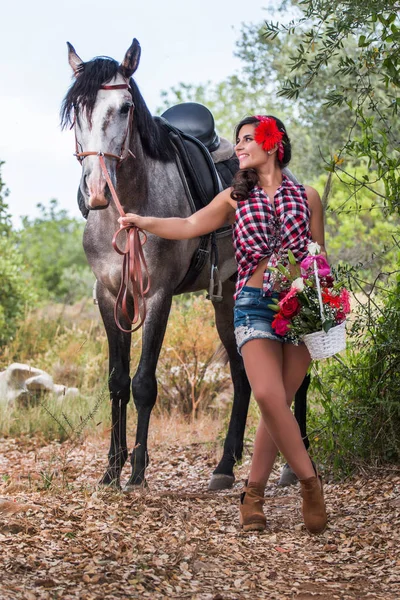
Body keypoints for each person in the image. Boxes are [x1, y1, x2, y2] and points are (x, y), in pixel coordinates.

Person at [119, 115, 327, 535]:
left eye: (248, 139)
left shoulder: (308, 195)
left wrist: (325, 307)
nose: (239, 147)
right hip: (252, 304)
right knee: (268, 395)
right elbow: (189, 225)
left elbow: (319, 256)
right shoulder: (233, 197)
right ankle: (310, 484)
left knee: (278, 405)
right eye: (238, 140)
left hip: (301, 304)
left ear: (274, 144)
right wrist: (142, 222)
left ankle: (253, 493)